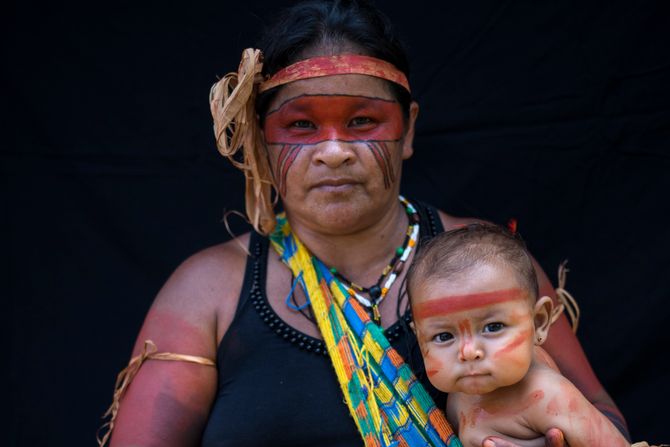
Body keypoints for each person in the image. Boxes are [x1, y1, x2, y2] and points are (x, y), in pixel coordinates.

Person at [99, 1, 629, 446]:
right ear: (262, 139)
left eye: (362, 121)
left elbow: (606, 422)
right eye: (301, 125)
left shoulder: (487, 263)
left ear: (408, 129)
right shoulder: (206, 293)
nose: (334, 151)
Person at [406, 223, 630, 447]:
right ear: (420, 338)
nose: (468, 352)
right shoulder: (459, 393)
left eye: (493, 327)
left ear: (539, 323)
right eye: (444, 336)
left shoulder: (548, 395)